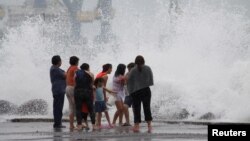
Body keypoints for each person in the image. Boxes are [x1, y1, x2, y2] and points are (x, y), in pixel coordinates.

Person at [127, 55, 154, 132]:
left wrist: (131, 91)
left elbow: (129, 81)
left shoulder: (132, 70)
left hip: (136, 92)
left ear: (135, 62)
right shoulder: (148, 68)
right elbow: (151, 80)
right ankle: (149, 126)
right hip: (146, 90)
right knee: (147, 108)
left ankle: (137, 126)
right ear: (143, 61)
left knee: (136, 109)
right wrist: (144, 84)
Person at [74, 63, 97, 130]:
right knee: (91, 109)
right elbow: (92, 84)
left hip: (78, 92)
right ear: (87, 68)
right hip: (88, 92)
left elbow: (75, 83)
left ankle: (79, 125)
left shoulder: (76, 73)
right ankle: (93, 125)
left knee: (78, 109)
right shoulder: (91, 74)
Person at [50, 55, 66, 128]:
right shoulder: (55, 69)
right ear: (59, 61)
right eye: (61, 60)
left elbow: (64, 72)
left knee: (57, 107)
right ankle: (57, 124)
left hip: (57, 90)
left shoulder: (54, 68)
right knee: (58, 107)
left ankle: (58, 123)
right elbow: (65, 75)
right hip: (59, 90)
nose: (61, 62)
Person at [65, 56, 79, 129]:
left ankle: (71, 125)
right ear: (76, 62)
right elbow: (77, 77)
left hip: (67, 88)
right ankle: (78, 124)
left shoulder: (69, 68)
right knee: (77, 106)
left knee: (71, 107)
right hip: (72, 88)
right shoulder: (75, 68)